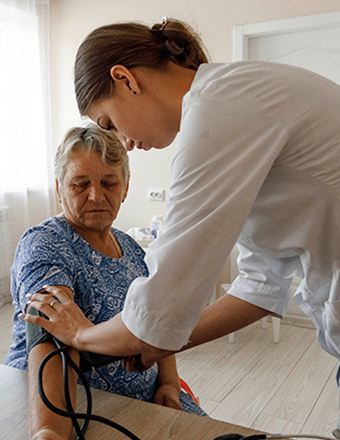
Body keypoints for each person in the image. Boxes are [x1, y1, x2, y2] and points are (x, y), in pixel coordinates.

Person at [21, 17, 340, 434]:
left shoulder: (219, 108)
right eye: (80, 183)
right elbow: (261, 286)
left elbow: (160, 310)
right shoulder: (234, 100)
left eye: (109, 122)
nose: (124, 140)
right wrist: (161, 341)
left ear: (125, 80)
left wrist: (82, 335)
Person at [6, 124, 207, 440]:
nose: (96, 195)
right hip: (79, 406)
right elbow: (49, 331)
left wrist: (168, 382)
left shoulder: (130, 249)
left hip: (145, 397)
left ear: (126, 188)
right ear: (59, 188)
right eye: (80, 183)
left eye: (109, 183)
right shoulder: (45, 243)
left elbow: (154, 320)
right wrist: (50, 430)